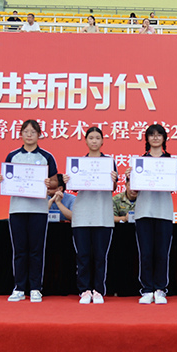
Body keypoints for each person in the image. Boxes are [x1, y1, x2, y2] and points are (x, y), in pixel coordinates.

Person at [0, 120, 57, 303]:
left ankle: (35, 288)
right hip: (17, 209)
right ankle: (19, 288)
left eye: (33, 132)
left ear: (39, 134)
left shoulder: (46, 156)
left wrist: (49, 184)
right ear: (21, 134)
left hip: (39, 210)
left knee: (36, 250)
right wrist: (3, 179)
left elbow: (55, 183)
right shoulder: (13, 156)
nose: (29, 135)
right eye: (26, 131)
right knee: (20, 250)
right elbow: (8, 179)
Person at [125, 124, 177, 304]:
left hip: (164, 212)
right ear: (147, 139)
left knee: (162, 252)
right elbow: (132, 192)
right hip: (144, 211)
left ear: (164, 138)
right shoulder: (140, 162)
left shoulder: (170, 162)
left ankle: (160, 289)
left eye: (159, 135)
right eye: (152, 135)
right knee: (146, 252)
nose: (156, 138)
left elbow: (171, 187)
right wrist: (130, 178)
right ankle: (146, 289)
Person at [71, 127, 118, 304]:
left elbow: (113, 187)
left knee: (100, 256)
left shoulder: (109, 162)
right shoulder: (79, 163)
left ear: (102, 141)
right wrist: (69, 180)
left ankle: (98, 290)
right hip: (82, 215)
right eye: (91, 138)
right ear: (86, 141)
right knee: (83, 255)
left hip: (102, 214)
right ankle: (84, 290)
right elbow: (74, 187)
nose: (94, 141)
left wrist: (113, 180)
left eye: (97, 138)